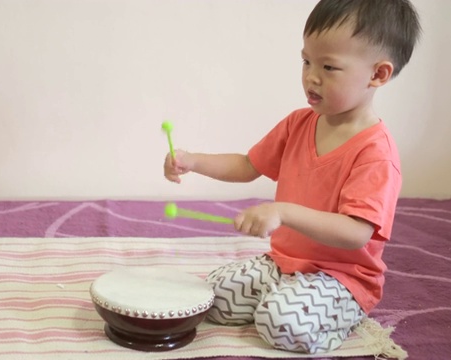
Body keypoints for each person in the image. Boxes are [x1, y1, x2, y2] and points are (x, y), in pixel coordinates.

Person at [163, 0, 421, 354]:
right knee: (210, 297)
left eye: (329, 66)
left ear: (378, 75)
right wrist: (192, 160)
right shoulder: (298, 123)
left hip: (342, 277)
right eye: (306, 61)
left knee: (278, 323)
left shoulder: (376, 152)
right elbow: (247, 166)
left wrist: (283, 212)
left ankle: (339, 315)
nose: (311, 76)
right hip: (283, 264)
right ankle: (286, 298)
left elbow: (356, 232)